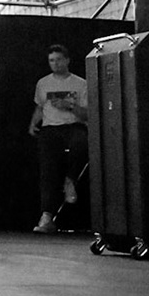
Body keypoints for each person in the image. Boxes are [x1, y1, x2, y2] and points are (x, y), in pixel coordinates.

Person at [29, 43, 88, 232]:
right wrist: (33, 124)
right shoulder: (43, 83)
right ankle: (47, 216)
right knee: (48, 170)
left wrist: (69, 106)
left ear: (67, 60)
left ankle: (70, 180)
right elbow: (39, 107)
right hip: (50, 128)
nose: (55, 64)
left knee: (81, 144)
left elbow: (87, 114)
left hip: (73, 126)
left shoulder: (80, 84)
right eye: (51, 61)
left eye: (59, 60)